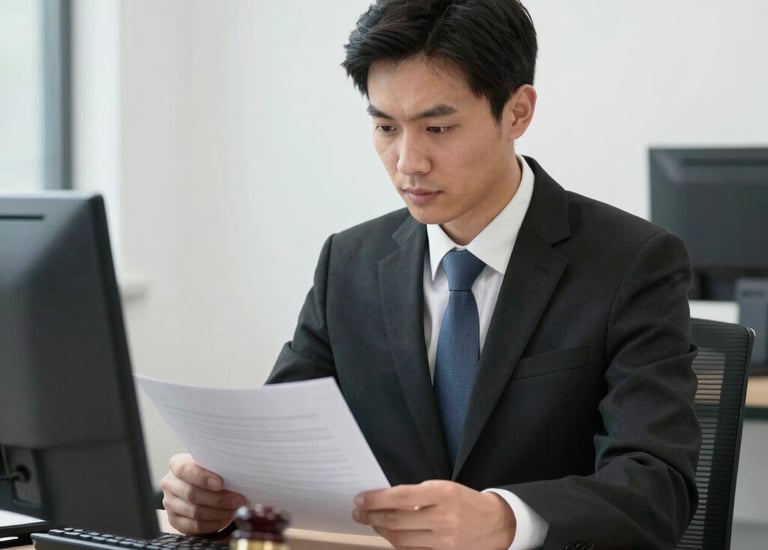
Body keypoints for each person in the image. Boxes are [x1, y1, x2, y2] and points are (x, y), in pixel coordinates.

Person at [160, 1, 701, 548]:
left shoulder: (632, 262)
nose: (408, 161)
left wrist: (505, 518)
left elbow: (658, 486)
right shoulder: (348, 262)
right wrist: (212, 494)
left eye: (438, 127)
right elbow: (276, 450)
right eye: (385, 127)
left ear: (517, 112)